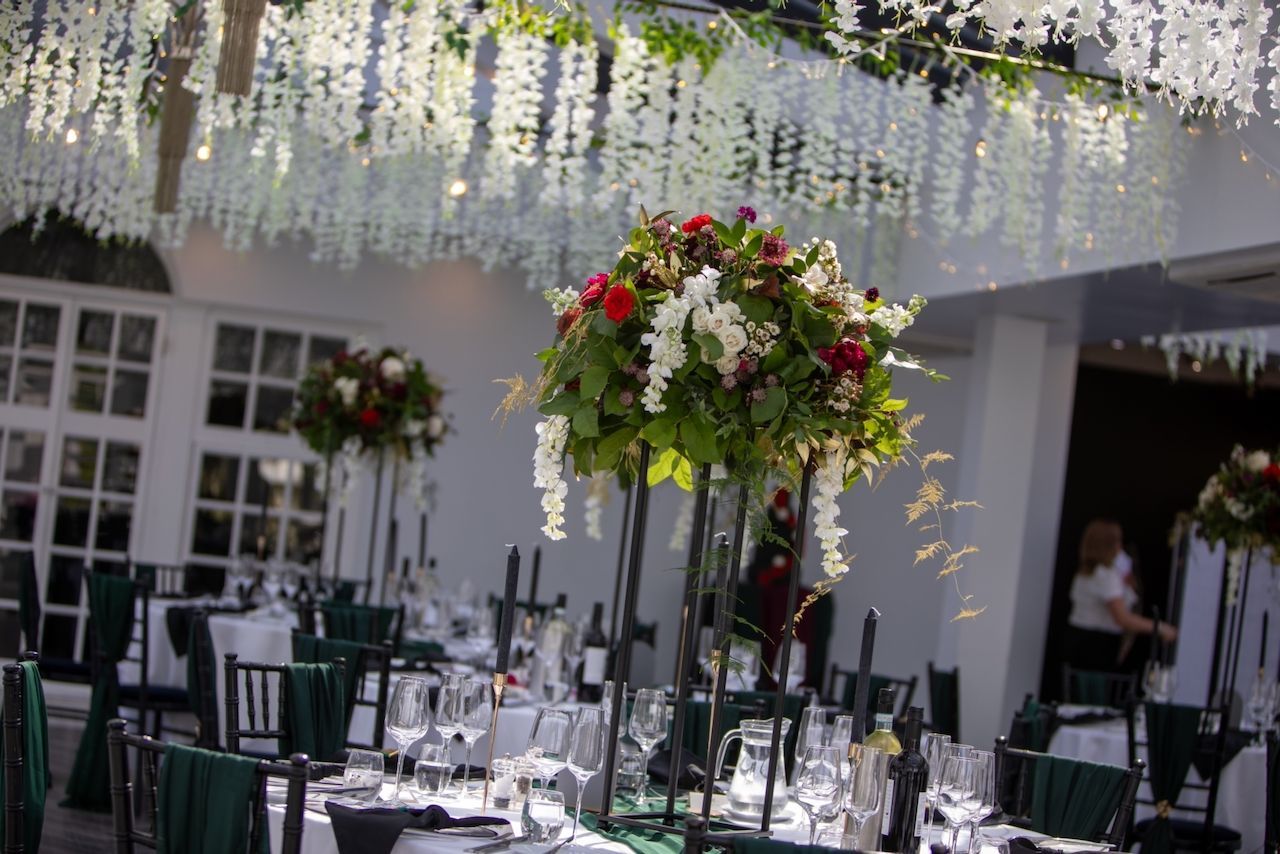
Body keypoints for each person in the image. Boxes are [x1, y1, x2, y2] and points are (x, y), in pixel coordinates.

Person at [1064, 519, 1177, 673]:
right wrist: (1160, 628)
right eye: (1117, 542)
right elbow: (1122, 618)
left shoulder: (1087, 573)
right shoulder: (1105, 575)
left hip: (1082, 640)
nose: (1120, 547)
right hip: (1095, 645)